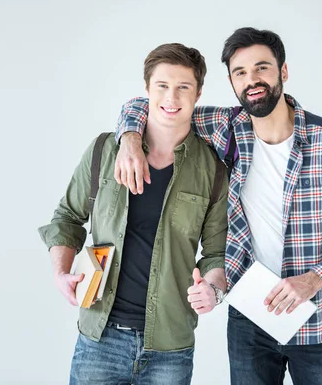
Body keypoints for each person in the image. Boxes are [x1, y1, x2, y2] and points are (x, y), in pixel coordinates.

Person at [113, 27, 322, 385]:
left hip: (318, 325)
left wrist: (315, 279)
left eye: (262, 68)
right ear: (232, 82)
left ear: (283, 72)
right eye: (240, 72)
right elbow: (147, 104)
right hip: (249, 322)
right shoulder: (225, 126)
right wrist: (129, 139)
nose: (252, 80)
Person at [38, 42, 229, 385]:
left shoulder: (213, 169)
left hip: (170, 346)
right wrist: (60, 272)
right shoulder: (104, 150)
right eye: (162, 86)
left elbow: (216, 253)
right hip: (100, 338)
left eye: (183, 87)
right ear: (146, 91)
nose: (171, 98)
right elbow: (66, 218)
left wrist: (212, 291)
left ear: (198, 94)